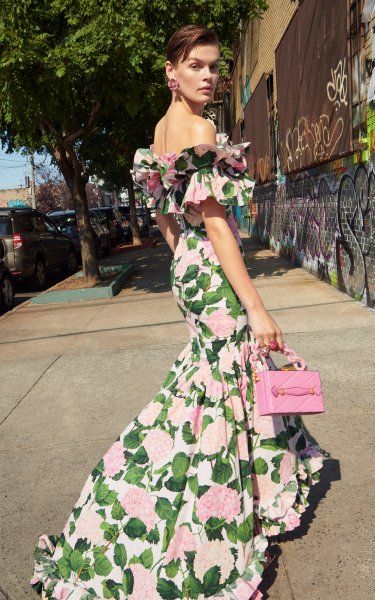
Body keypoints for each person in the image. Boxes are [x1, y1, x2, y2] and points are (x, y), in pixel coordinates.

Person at [31, 24, 323, 600]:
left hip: (186, 271)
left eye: (214, 67)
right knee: (220, 385)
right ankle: (197, 501)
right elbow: (218, 226)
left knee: (215, 381)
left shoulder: (160, 132)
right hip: (212, 271)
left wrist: (185, 259)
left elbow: (169, 220)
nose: (211, 77)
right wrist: (257, 305)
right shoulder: (198, 128)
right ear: (172, 73)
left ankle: (245, 488)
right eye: (198, 66)